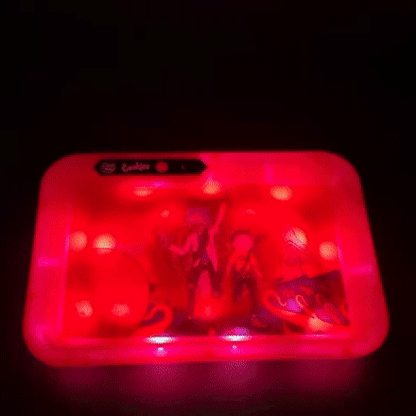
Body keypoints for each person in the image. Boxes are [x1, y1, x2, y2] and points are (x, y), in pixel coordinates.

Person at [168, 203, 227, 316]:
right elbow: (183, 251)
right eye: (196, 226)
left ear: (204, 225)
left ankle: (216, 294)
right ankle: (190, 311)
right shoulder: (192, 237)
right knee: (191, 286)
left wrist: (222, 211)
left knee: (215, 282)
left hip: (210, 262)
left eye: (200, 225)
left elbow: (218, 223)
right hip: (198, 263)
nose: (199, 228)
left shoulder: (209, 234)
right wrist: (170, 246)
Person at [226, 231, 266, 327]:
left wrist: (260, 275)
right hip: (239, 275)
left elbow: (254, 267)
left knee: (254, 293)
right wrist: (228, 273)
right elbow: (230, 263)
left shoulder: (250, 255)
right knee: (237, 295)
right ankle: (240, 297)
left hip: (247, 275)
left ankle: (254, 315)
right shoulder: (236, 253)